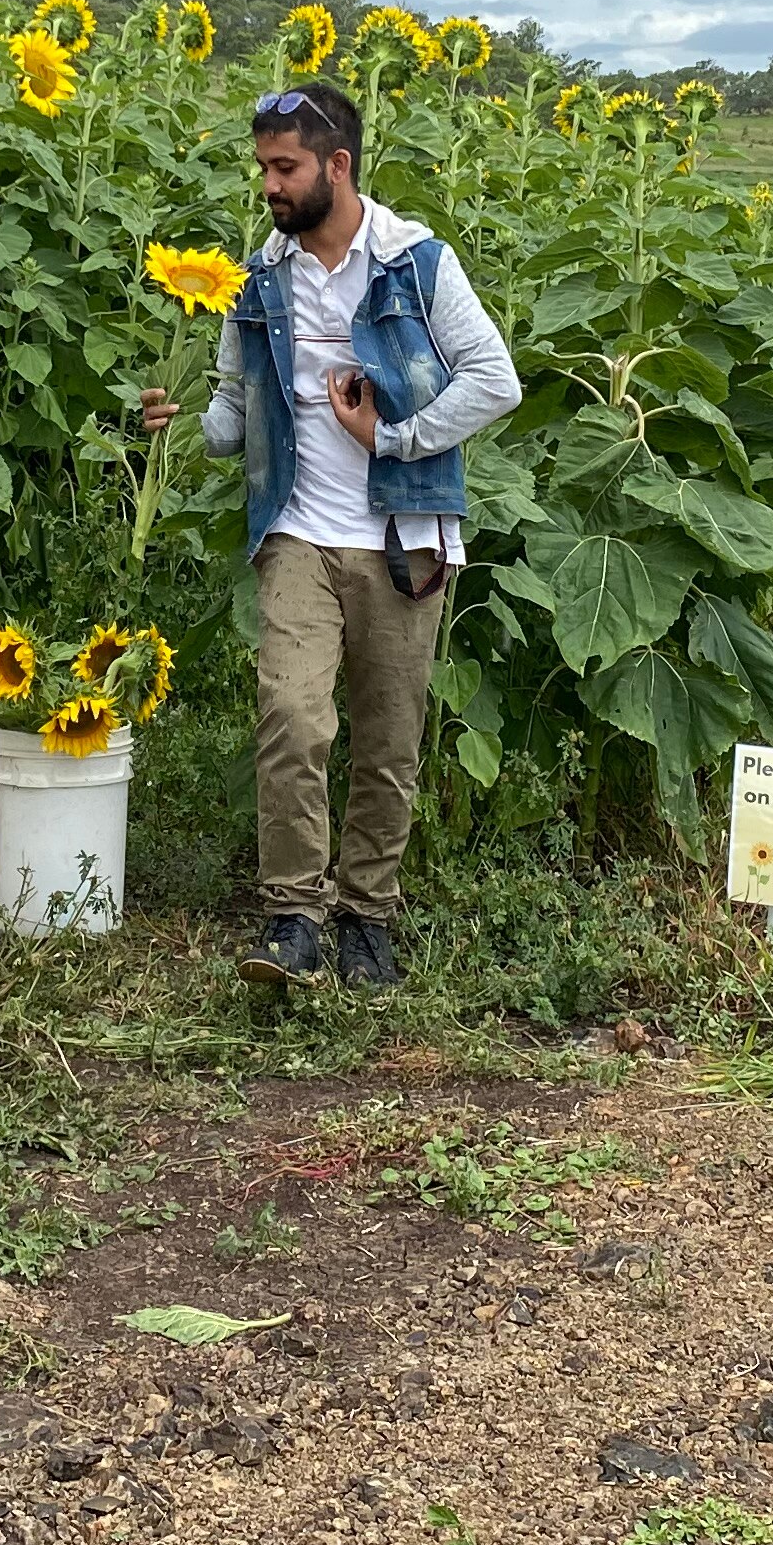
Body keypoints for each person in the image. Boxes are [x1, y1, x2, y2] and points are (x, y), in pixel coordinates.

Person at [141, 78, 521, 990]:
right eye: (264, 168)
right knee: (293, 717)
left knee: (389, 740)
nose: (269, 186)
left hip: (402, 533)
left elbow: (494, 378)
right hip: (298, 530)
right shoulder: (261, 273)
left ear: (336, 166)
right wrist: (178, 424)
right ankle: (293, 916)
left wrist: (391, 435)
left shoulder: (417, 264)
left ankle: (367, 919)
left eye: (285, 168)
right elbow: (236, 410)